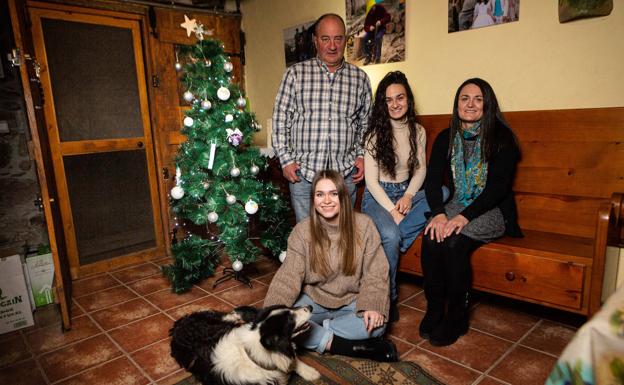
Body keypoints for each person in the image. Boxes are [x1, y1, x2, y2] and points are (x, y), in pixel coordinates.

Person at [420, 78, 522, 347]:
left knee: (454, 243)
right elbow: (432, 182)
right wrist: (439, 214)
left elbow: (498, 188)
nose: (471, 104)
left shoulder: (502, 138)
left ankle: (456, 316)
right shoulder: (446, 137)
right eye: (465, 98)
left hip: (492, 208)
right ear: (457, 104)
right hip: (457, 203)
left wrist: (463, 218)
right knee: (431, 236)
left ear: (487, 105)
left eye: (478, 99)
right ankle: (434, 309)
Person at [264, 170, 398, 362]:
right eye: (320, 194)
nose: (326, 200)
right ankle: (344, 345)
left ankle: (320, 336)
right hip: (313, 301)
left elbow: (376, 272)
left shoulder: (365, 225)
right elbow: (287, 277)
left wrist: (373, 306)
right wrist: (271, 315)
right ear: (313, 199)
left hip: (352, 300)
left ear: (343, 196)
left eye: (333, 193)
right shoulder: (302, 231)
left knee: (378, 323)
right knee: (281, 323)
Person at [272, 13, 372, 223]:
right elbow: (280, 120)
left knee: (342, 240)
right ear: (315, 41)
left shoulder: (360, 78)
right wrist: (286, 160)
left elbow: (366, 123)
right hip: (303, 175)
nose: (332, 45)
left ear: (345, 40)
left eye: (338, 38)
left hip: (344, 175)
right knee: (308, 240)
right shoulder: (295, 74)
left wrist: (361, 156)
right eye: (325, 38)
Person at [362, 71, 443, 322]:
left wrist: (408, 197)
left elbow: (421, 170)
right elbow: (371, 182)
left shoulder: (417, 130)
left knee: (443, 192)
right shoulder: (375, 134)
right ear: (382, 104)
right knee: (390, 233)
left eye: (400, 97)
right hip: (378, 197)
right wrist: (392, 210)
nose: (395, 104)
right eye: (388, 100)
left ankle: (397, 238)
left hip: (404, 193)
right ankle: (389, 296)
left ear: (408, 99)